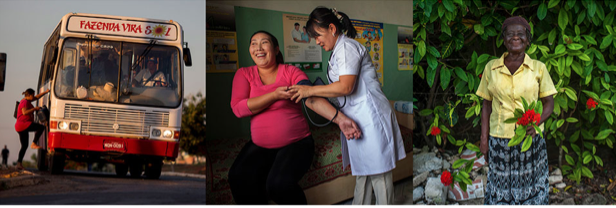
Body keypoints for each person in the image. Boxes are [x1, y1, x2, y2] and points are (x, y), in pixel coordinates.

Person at [228, 30, 362, 205]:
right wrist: (274, 95)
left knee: (278, 185)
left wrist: (340, 120)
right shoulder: (244, 74)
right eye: (254, 43)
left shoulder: (291, 72)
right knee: (237, 177)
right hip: (260, 145)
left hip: (297, 143)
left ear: (276, 49)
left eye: (264, 42)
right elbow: (239, 109)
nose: (258, 47)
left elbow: (311, 97)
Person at [289, 7, 406, 205]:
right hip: (356, 117)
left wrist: (310, 91)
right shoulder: (338, 51)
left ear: (332, 28)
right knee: (363, 172)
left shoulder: (348, 47)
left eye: (317, 35)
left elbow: (346, 87)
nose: (316, 41)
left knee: (379, 174)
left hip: (371, 116)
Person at [476, 16, 556, 205]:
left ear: (528, 39)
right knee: (500, 187)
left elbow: (549, 103)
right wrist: (484, 139)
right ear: (504, 39)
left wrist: (537, 121)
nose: (515, 37)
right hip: (499, 140)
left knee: (532, 185)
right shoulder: (491, 68)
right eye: (510, 34)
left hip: (530, 139)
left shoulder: (538, 68)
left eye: (520, 34)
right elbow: (486, 106)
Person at [15, 88, 50, 170]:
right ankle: (34, 143)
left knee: (24, 146)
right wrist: (34, 109)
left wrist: (45, 92)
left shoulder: (28, 100)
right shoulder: (24, 102)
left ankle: (19, 164)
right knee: (41, 127)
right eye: (33, 95)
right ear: (29, 95)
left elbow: (37, 97)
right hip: (23, 124)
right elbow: (24, 112)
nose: (34, 96)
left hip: (21, 126)